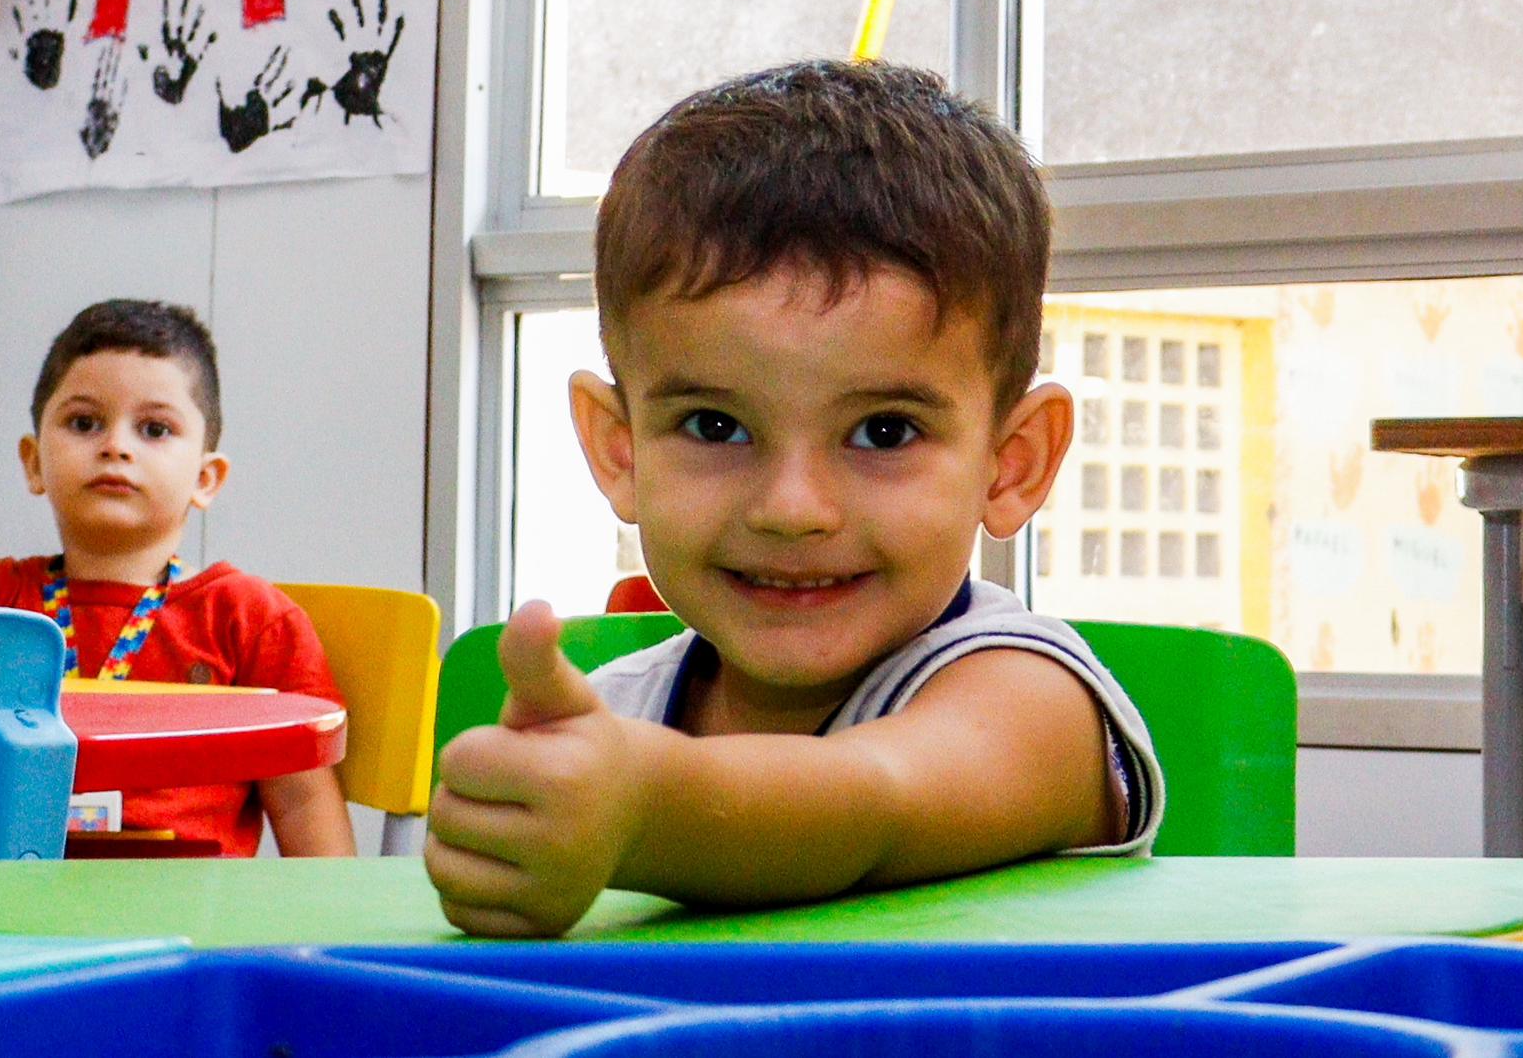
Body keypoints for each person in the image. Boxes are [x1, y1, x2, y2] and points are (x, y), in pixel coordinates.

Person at [427, 61, 1161, 937]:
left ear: (1011, 464)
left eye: (883, 433)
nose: (792, 507)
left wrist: (636, 810)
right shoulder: (620, 713)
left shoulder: (1028, 700)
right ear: (617, 448)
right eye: (714, 426)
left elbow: (873, 803)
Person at [0, 299, 353, 857]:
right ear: (33, 463)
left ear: (205, 477)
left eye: (154, 428)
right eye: (84, 423)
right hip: (14, 913)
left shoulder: (250, 620)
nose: (116, 446)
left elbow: (304, 805)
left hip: (195, 926)